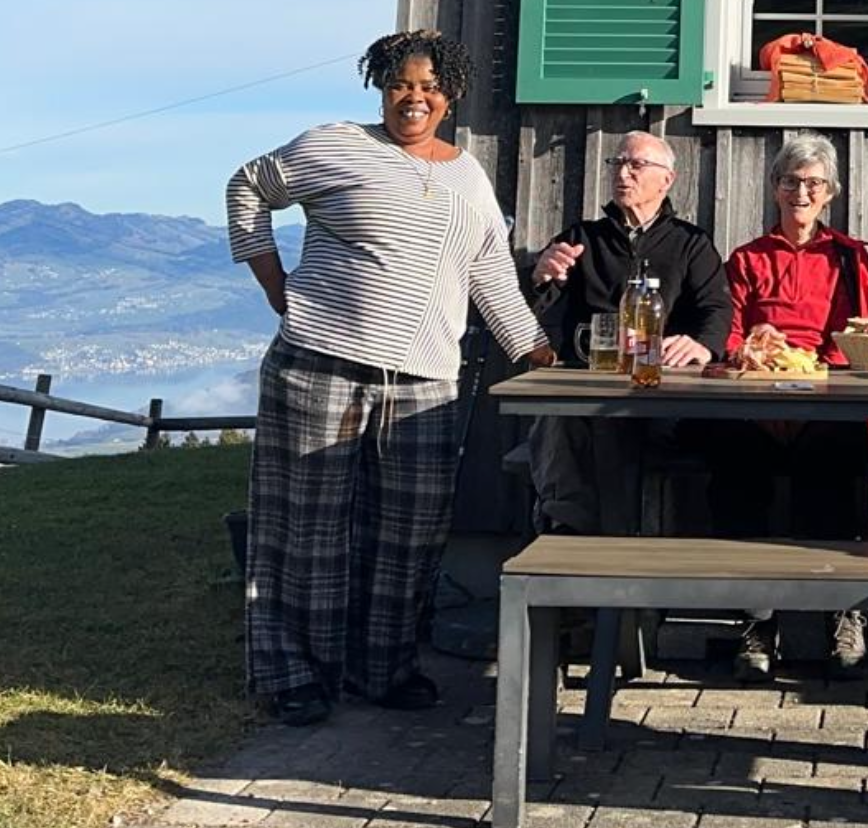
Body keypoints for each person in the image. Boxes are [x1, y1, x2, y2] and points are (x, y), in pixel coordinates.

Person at [226, 30, 553, 727]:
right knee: (307, 529)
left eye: (430, 87)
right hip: (320, 363)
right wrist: (274, 284)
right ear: (381, 88)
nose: (415, 98)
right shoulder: (337, 145)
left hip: (425, 383)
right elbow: (247, 185)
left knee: (410, 534)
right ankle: (294, 673)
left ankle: (382, 667)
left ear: (450, 97)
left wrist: (535, 350)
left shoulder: (469, 178)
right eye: (402, 84)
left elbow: (491, 274)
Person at [695, 133, 868, 682]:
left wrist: (813, 373)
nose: (801, 192)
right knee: (733, 464)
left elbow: (860, 335)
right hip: (758, 395)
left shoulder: (849, 256)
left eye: (814, 183)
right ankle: (756, 619)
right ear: (775, 188)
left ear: (830, 193)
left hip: (825, 398)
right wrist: (755, 350)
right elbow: (728, 336)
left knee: (834, 467)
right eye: (791, 181)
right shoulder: (748, 257)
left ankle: (842, 610)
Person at [526, 131, 732, 535]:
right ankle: (567, 536)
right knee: (563, 415)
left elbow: (717, 308)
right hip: (590, 380)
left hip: (663, 389)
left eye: (636, 165)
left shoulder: (690, 243)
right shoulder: (581, 239)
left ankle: (606, 540)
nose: (623, 173)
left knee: (608, 423)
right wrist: (538, 276)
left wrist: (703, 345)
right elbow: (532, 309)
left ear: (666, 180)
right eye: (617, 163)